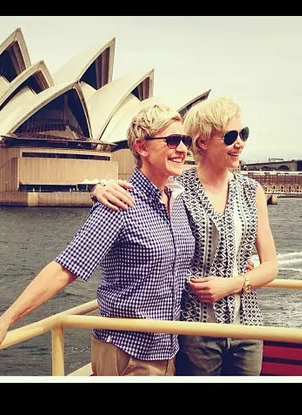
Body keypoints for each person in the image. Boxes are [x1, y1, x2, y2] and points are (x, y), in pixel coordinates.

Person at [0, 103, 195, 376]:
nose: (182, 149)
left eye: (185, 140)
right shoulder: (120, 203)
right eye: (172, 140)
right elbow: (66, 268)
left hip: (169, 349)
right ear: (141, 147)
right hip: (128, 352)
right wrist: (2, 323)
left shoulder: (178, 199)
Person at [91, 96, 279, 376]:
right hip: (193, 328)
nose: (239, 142)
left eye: (244, 134)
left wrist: (233, 284)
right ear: (202, 142)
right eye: (230, 136)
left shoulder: (253, 192)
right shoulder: (176, 189)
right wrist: (98, 189)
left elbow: (271, 266)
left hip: (247, 326)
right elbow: (139, 193)